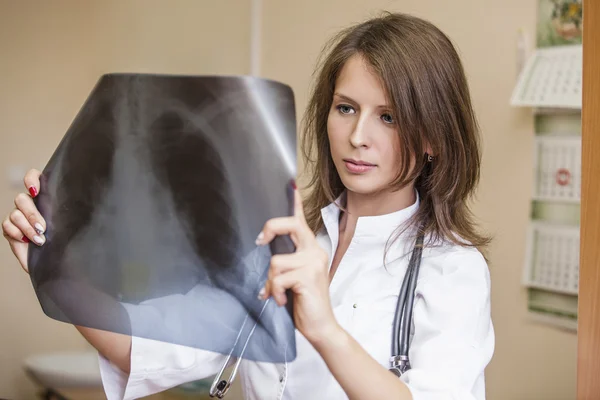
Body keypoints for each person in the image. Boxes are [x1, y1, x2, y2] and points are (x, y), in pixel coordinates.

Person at [3, 12, 494, 400]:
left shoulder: (453, 272)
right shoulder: (276, 243)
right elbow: (144, 349)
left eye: (387, 116)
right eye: (346, 108)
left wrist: (325, 331)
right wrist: (52, 265)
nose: (358, 137)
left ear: (432, 136)